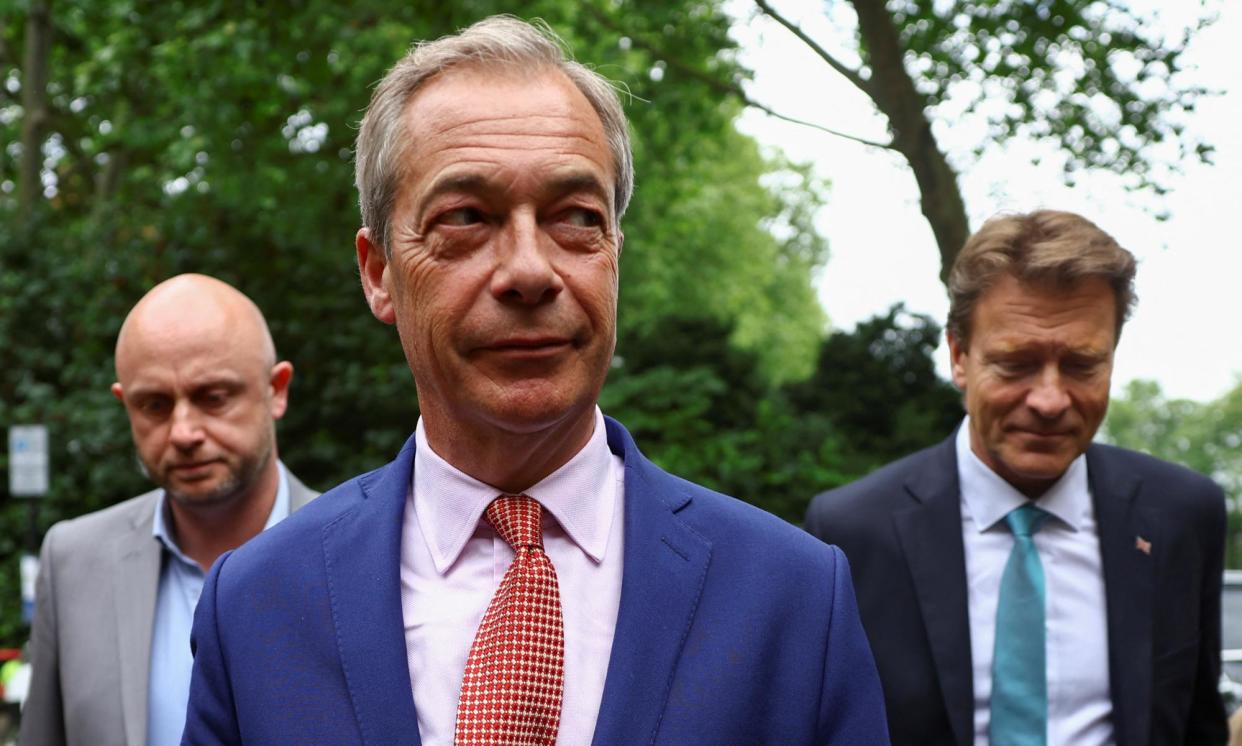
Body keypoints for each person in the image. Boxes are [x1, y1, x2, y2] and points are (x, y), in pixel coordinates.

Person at [181, 16, 886, 745]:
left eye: (575, 217)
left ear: (614, 253)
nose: (528, 269)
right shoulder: (256, 606)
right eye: (466, 217)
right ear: (379, 272)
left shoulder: (794, 598)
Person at [806, 209, 1228, 745]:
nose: (1050, 400)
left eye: (1081, 364)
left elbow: (1198, 725)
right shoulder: (849, 532)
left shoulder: (1182, 515)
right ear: (960, 356)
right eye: (1015, 363)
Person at [19, 274, 319, 746]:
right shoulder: (73, 563)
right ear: (126, 405)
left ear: (276, 390)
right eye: (155, 405)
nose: (183, 432)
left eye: (212, 397)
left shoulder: (359, 557)